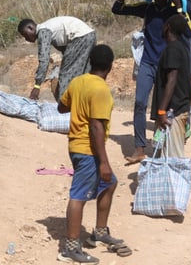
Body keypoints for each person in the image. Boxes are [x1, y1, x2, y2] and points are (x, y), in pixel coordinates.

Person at [57, 44, 131, 264]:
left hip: (77, 147)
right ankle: (71, 248)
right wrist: (104, 163)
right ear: (110, 66)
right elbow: (96, 127)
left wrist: (78, 102)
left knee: (109, 184)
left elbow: (62, 107)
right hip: (88, 150)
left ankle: (99, 232)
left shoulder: (78, 82)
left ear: (89, 61)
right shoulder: (100, 90)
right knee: (78, 196)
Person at [111, 0, 191, 164]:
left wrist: (180, 8)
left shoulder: (174, 12)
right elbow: (117, 9)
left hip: (167, 65)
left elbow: (188, 33)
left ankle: (162, 148)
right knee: (140, 103)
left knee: (163, 108)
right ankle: (140, 148)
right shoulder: (147, 9)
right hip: (147, 62)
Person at [18, 16, 96, 102]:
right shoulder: (49, 28)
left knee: (66, 76)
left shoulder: (43, 31)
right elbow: (66, 51)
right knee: (84, 75)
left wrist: (37, 86)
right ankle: (87, 105)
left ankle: (65, 109)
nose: (26, 39)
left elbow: (44, 60)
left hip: (80, 38)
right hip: (90, 36)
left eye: (25, 35)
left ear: (30, 27)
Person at [153, 14, 191, 157]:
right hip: (178, 109)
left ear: (167, 27)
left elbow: (172, 80)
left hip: (173, 112)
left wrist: (162, 111)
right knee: (166, 156)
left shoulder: (173, 49)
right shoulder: (181, 48)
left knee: (173, 159)